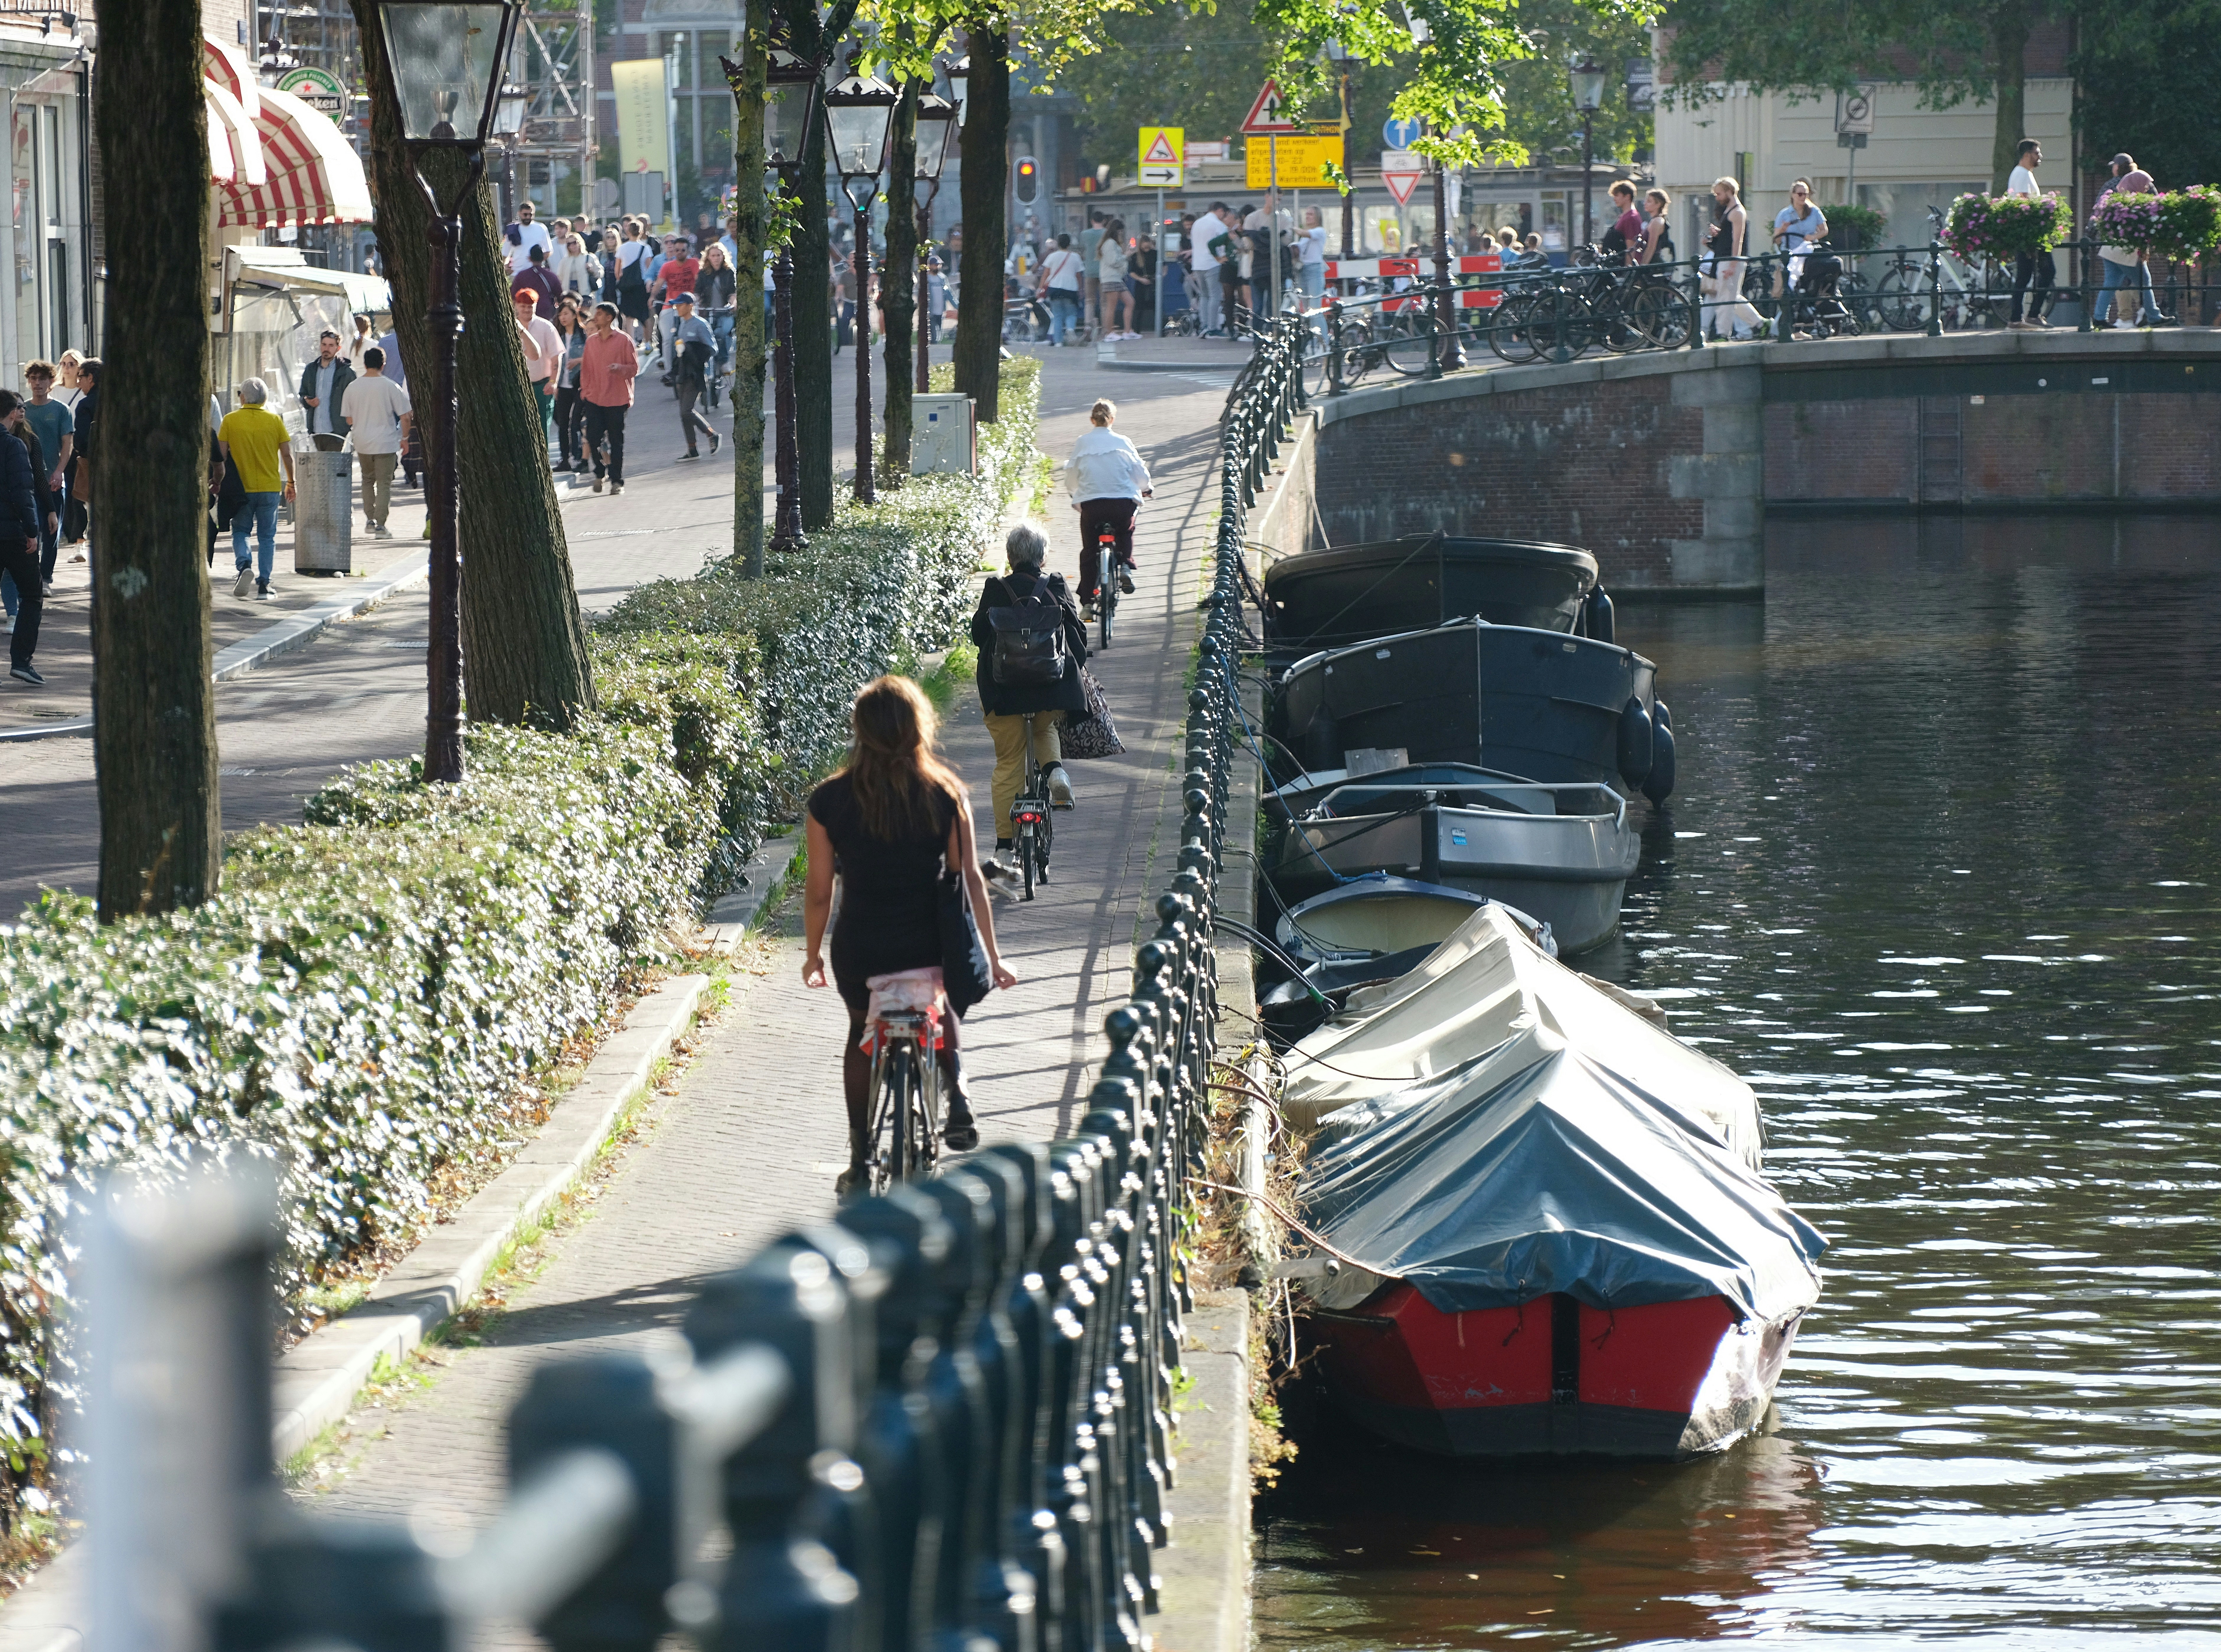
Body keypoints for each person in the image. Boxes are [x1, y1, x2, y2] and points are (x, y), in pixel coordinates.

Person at [802, 675, 1015, 1190]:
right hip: (929, 942)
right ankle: (958, 1097)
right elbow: (968, 880)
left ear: (859, 730)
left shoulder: (828, 801)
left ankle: (859, 1158)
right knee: (939, 1005)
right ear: (919, 726)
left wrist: (812, 955)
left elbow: (817, 892)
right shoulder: (944, 794)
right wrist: (992, 954)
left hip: (860, 947)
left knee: (860, 1033)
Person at [969, 523, 1084, 866]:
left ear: (1010, 556)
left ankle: (1004, 847)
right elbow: (1078, 638)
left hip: (1003, 692)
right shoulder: (1056, 586)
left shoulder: (995, 588)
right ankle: (1055, 773)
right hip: (1049, 687)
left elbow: (978, 636)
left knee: (1008, 765)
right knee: (1045, 726)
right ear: (1043, 556)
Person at [1065, 398, 1152, 616]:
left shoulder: (1083, 442)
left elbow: (1072, 475)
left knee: (1089, 552)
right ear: (1112, 419)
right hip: (1121, 504)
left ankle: (1086, 604)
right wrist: (1146, 488)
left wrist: (1075, 491)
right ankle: (1125, 566)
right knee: (1126, 529)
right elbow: (1139, 470)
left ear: (1092, 420)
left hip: (1092, 506)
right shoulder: (1123, 441)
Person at [216, 378, 295, 601]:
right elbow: (287, 455)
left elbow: (220, 457)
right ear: (265, 399)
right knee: (268, 536)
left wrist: (218, 481)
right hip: (270, 488)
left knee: (241, 531)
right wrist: (291, 482)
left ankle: (244, 567)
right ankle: (264, 585)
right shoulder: (275, 421)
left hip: (241, 489)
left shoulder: (230, 421)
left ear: (243, 397)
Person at [339, 346, 411, 538]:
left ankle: (370, 520)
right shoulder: (390, 386)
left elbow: (349, 419)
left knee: (367, 480)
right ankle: (381, 525)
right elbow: (405, 417)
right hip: (386, 443)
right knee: (384, 484)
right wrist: (404, 439)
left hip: (363, 442)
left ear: (364, 364)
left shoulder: (353, 387)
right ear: (383, 364)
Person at [0, 390, 40, 683]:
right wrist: (32, 530)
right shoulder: (13, 446)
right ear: (13, 412)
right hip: (12, 533)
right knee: (32, 594)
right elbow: (22, 492)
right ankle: (21, 661)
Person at [579, 300, 637, 495]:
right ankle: (599, 472)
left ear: (610, 318)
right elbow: (586, 369)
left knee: (616, 441)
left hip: (617, 399)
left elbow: (634, 368)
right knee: (593, 439)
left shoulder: (624, 340)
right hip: (595, 398)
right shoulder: (591, 342)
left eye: (601, 314)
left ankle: (616, 481)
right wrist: (585, 391)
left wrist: (619, 369)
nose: (596, 317)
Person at [2096, 153, 2160, 329]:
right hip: (2124, 249)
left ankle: (2099, 318)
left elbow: (2098, 212)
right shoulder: (2135, 206)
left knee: (2111, 282)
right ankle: (2154, 316)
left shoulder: (2113, 192)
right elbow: (2150, 217)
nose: (2148, 189)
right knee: (2144, 280)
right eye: (2145, 187)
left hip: (2109, 247)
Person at [23, 361, 71, 594]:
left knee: (52, 530)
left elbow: (67, 443)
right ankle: (31, 577)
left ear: (52, 382)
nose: (38, 383)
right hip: (27, 481)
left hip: (52, 480)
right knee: (30, 530)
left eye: (43, 379)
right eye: (33, 378)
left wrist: (59, 471)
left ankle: (46, 578)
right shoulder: (22, 410)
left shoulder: (61, 410)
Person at [2002, 139, 2057, 329]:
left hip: (2031, 234)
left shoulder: (2025, 174)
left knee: (2030, 274)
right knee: (2039, 273)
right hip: (2028, 235)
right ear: (2027, 155)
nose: (2040, 156)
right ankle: (2020, 318)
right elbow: (2023, 204)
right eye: (2037, 153)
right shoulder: (2022, 174)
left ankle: (2026, 316)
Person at [1704, 177, 1762, 340]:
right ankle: (1760, 323)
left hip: (1730, 259)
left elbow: (1738, 240)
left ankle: (1723, 334)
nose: (1717, 198)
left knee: (1726, 299)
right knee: (1730, 297)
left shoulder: (1737, 212)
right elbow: (1730, 237)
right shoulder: (1729, 211)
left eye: (1719, 194)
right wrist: (1717, 234)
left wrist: (1733, 264)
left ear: (1730, 192)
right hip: (1724, 258)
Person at [668, 292, 721, 460]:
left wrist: (693, 353)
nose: (676, 308)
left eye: (680, 305)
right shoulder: (682, 323)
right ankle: (693, 450)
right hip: (683, 372)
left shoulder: (700, 325)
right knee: (684, 413)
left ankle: (712, 434)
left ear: (690, 306)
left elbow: (712, 349)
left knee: (686, 411)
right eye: (676, 305)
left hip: (695, 374)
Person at [1771, 179, 1827, 308]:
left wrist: (1813, 237)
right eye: (1800, 194)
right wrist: (1783, 230)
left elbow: (1825, 231)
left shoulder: (1815, 211)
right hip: (1790, 253)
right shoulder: (1784, 214)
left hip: (1809, 253)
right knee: (1786, 273)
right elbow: (1777, 240)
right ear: (1793, 195)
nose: (1804, 197)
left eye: (1806, 195)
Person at [652, 234, 701, 381]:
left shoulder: (694, 264)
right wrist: (652, 297)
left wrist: (698, 297)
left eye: (683, 250)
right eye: (677, 250)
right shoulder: (667, 266)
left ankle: (696, 365)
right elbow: (659, 284)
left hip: (690, 304)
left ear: (688, 251)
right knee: (667, 339)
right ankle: (669, 371)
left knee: (694, 336)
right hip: (670, 304)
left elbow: (699, 282)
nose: (680, 253)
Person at [298, 329, 355, 453]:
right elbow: (303, 394)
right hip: (315, 430)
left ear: (338, 348)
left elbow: (355, 400)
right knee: (319, 470)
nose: (327, 349)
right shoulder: (311, 370)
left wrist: (349, 424)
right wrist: (307, 401)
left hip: (337, 432)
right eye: (324, 345)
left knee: (332, 470)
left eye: (331, 346)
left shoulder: (346, 372)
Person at [550, 297, 589, 471]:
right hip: (562, 386)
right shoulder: (558, 336)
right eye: (561, 315)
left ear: (575, 315)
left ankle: (581, 456)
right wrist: (554, 383)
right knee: (562, 423)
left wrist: (579, 361)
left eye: (566, 314)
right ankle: (565, 459)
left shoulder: (584, 334)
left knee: (577, 423)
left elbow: (594, 357)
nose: (563, 318)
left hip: (579, 385)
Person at [1038, 232, 1085, 346]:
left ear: (1058, 244)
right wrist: (1081, 289)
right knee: (1072, 313)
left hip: (1055, 289)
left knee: (1058, 316)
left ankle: (1058, 342)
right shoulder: (1076, 257)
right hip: (1071, 289)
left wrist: (1040, 289)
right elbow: (1079, 276)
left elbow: (1046, 275)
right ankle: (1070, 329)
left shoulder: (1052, 257)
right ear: (1069, 244)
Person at [1191, 202, 1229, 335]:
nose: (1224, 217)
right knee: (1215, 296)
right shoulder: (1219, 225)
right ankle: (1213, 328)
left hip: (1198, 264)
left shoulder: (1197, 223)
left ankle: (1204, 326)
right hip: (1213, 264)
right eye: (1224, 214)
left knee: (1204, 296)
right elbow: (1223, 246)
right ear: (1220, 210)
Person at [613, 221, 653, 343]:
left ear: (628, 232)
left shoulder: (622, 248)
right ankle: (648, 342)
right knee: (645, 316)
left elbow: (617, 271)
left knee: (629, 317)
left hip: (627, 287)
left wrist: (622, 281)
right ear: (641, 232)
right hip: (641, 286)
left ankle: (631, 343)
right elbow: (649, 268)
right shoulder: (646, 248)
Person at [1099, 222, 1136, 340]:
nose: (1121, 235)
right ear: (1116, 231)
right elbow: (1113, 261)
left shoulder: (1112, 243)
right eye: (1120, 232)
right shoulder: (1110, 243)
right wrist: (1126, 256)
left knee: (1130, 302)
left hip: (1116, 278)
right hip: (1111, 278)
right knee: (1112, 306)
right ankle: (1109, 333)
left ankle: (1127, 331)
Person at [503, 199, 553, 277]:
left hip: (536, 274)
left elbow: (548, 251)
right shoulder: (513, 230)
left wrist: (536, 262)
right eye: (525, 215)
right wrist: (506, 267)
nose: (528, 217)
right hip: (517, 274)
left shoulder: (541, 228)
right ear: (519, 214)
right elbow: (505, 254)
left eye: (531, 215)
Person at [512, 241, 563, 316]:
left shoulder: (521, 276)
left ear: (529, 258)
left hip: (527, 313)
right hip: (546, 313)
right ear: (544, 258)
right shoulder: (552, 276)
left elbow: (514, 296)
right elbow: (560, 297)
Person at [1601, 180, 1644, 262]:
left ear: (1627, 197)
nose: (1614, 199)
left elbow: (1631, 247)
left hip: (1621, 266)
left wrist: (1628, 270)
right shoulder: (1624, 216)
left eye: (1617, 196)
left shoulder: (1631, 217)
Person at [1298, 206, 1328, 306]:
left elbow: (1304, 233)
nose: (1307, 217)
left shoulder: (1320, 231)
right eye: (1307, 214)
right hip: (1303, 270)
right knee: (1307, 309)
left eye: (1311, 214)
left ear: (1318, 218)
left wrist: (1292, 228)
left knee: (1315, 310)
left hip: (1314, 270)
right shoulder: (1305, 237)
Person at [1639, 189, 1675, 265]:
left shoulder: (1657, 222)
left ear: (1658, 204)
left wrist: (1642, 267)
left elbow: (1651, 248)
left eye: (1649, 201)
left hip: (1654, 265)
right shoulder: (1654, 220)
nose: (1645, 203)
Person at [556, 232, 597, 299]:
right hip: (568, 293)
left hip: (585, 292)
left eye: (575, 243)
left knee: (585, 309)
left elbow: (601, 273)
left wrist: (592, 270)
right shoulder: (564, 261)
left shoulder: (590, 257)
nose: (572, 246)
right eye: (569, 244)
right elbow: (559, 278)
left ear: (580, 243)